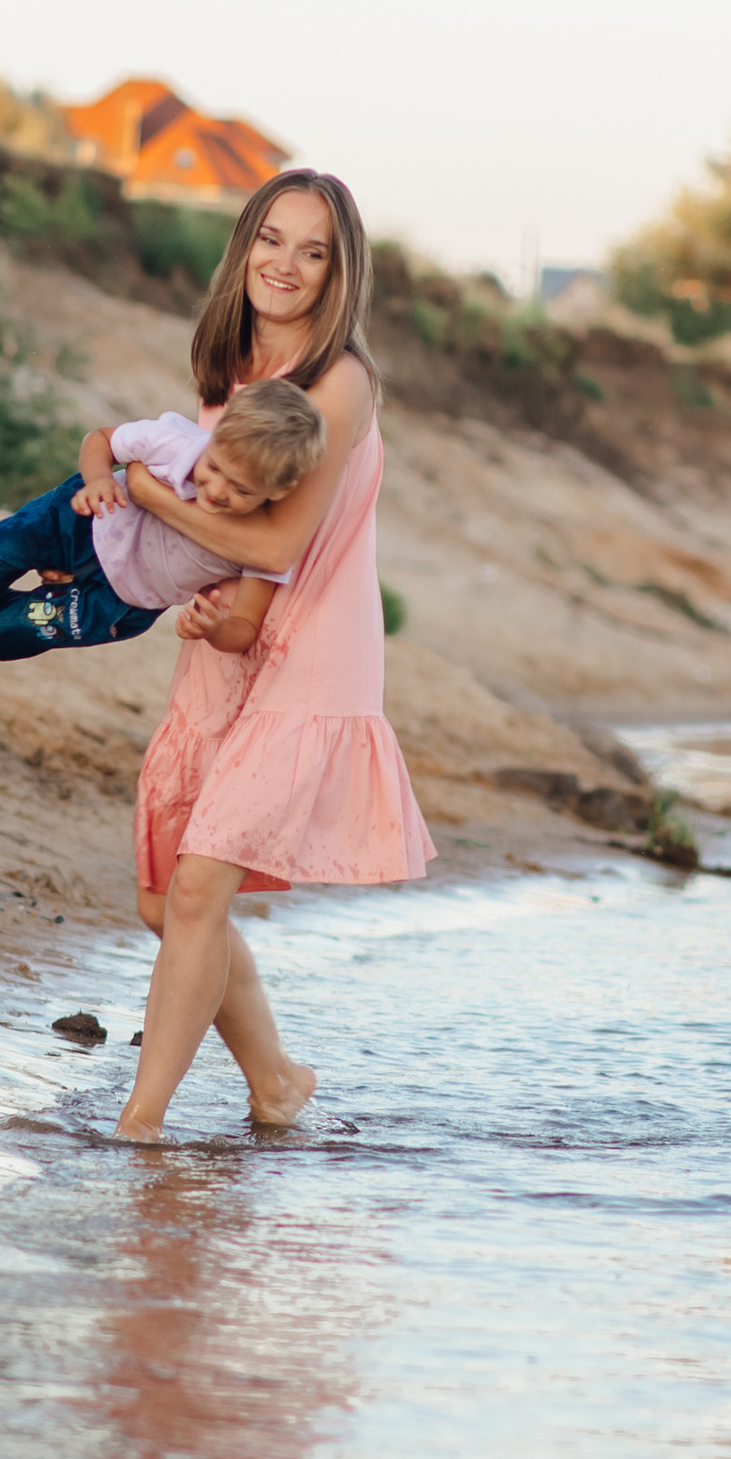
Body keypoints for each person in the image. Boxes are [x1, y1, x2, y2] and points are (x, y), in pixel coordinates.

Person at [116, 171, 432, 1141]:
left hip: (310, 654)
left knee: (202, 889)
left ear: (340, 274)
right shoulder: (233, 368)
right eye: (271, 239)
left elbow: (273, 544)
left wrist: (145, 495)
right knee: (163, 902)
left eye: (313, 250)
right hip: (225, 648)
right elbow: (219, 516)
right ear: (244, 244)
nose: (284, 265)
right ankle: (275, 1081)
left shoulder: (343, 381)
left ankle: (139, 1127)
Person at [0, 380, 327, 736]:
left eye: (241, 489)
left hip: (112, 603)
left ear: (279, 492)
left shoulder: (263, 545)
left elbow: (243, 630)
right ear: (212, 438)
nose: (214, 489)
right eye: (214, 468)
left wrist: (214, 629)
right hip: (75, 522)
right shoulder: (173, 442)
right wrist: (98, 481)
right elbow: (101, 440)